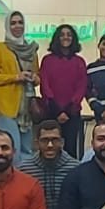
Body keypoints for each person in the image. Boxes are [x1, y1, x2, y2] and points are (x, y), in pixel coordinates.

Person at [0, 11, 40, 158]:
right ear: (7, 26)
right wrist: (16, 77)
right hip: (7, 107)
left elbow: (37, 76)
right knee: (11, 149)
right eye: (13, 23)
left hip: (27, 107)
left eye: (20, 22)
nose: (17, 26)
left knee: (28, 151)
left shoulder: (31, 50)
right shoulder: (0, 48)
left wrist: (35, 78)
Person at [39, 24, 88, 158]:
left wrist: (68, 110)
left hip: (72, 113)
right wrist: (57, 110)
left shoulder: (79, 61)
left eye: (69, 35)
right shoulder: (47, 60)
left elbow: (81, 86)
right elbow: (44, 84)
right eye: (62, 35)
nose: (66, 37)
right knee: (50, 149)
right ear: (57, 38)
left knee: (71, 150)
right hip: (52, 111)